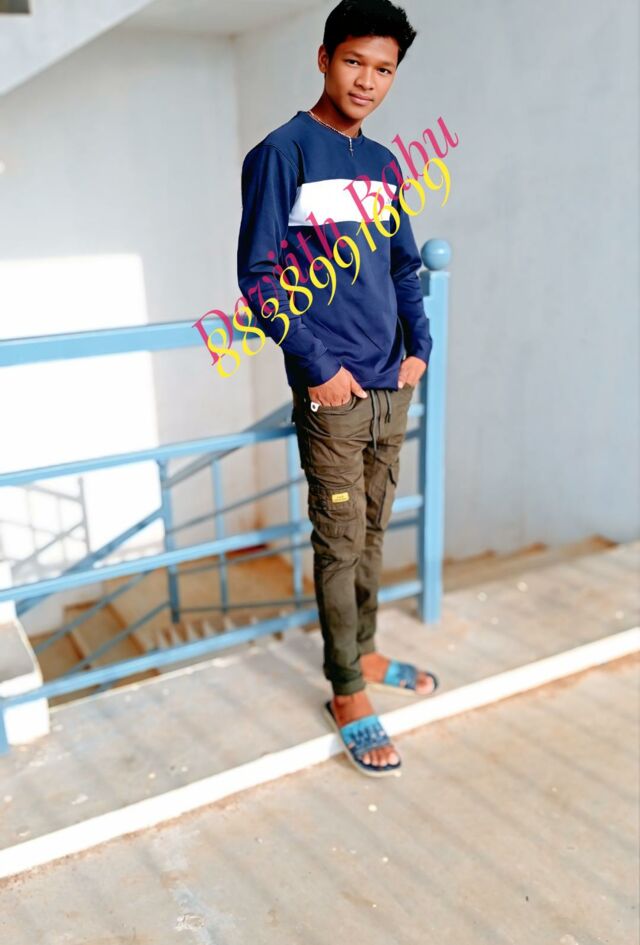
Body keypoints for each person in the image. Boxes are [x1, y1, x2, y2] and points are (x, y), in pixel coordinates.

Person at [236, 0, 439, 777]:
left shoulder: (384, 163)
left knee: (375, 531)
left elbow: (403, 265)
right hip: (336, 395)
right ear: (324, 58)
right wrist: (319, 367)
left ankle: (368, 647)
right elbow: (259, 280)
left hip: (392, 386)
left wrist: (420, 347)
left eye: (384, 69)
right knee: (340, 541)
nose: (367, 81)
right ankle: (347, 689)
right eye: (355, 61)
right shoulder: (281, 153)